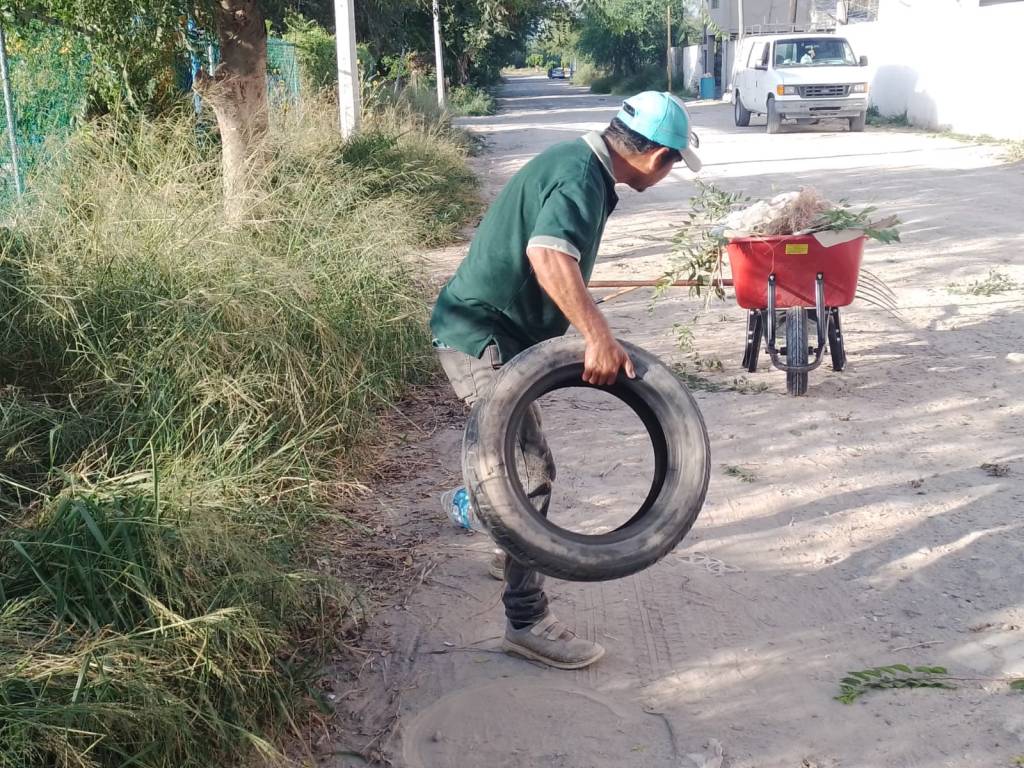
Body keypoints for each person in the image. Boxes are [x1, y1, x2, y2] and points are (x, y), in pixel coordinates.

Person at [430, 91, 701, 670]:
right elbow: (549, 255)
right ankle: (526, 621)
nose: (671, 171)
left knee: (508, 471)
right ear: (656, 157)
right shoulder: (582, 175)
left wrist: (587, 322)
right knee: (527, 475)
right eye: (675, 161)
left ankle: (495, 528)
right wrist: (597, 336)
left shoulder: (583, 167)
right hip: (483, 337)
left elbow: (555, 263)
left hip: (489, 330)